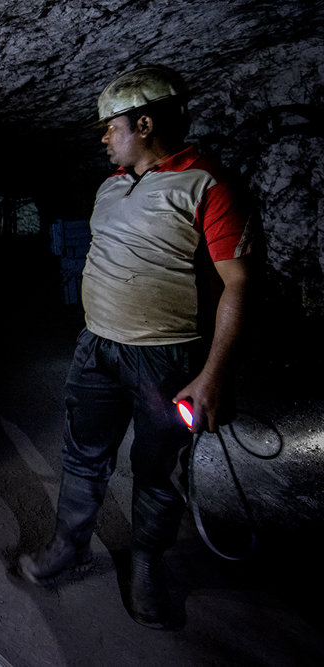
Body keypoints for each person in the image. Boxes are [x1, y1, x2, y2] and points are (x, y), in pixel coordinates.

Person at [18, 65, 255, 628]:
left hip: (165, 359)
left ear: (144, 124)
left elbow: (240, 285)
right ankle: (71, 545)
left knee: (156, 468)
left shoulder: (209, 185)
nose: (103, 138)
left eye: (110, 127)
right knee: (83, 453)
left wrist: (214, 376)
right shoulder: (110, 186)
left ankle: (147, 562)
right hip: (95, 349)